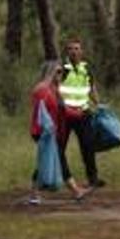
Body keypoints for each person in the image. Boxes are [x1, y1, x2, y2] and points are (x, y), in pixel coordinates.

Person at [29, 61, 88, 204]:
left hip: (52, 131)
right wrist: (46, 129)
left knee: (47, 159)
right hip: (44, 131)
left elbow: (63, 110)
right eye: (58, 72)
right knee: (59, 157)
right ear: (50, 72)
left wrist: (80, 113)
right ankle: (76, 190)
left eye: (62, 72)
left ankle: (35, 193)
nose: (61, 75)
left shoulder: (54, 90)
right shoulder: (42, 89)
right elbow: (40, 112)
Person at [60, 39, 104, 188]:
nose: (74, 51)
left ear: (81, 51)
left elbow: (92, 88)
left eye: (77, 48)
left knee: (88, 146)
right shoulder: (62, 69)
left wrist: (98, 104)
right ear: (67, 52)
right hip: (65, 114)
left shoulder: (86, 69)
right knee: (59, 147)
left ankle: (93, 178)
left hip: (83, 113)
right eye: (71, 49)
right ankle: (56, 177)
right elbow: (54, 88)